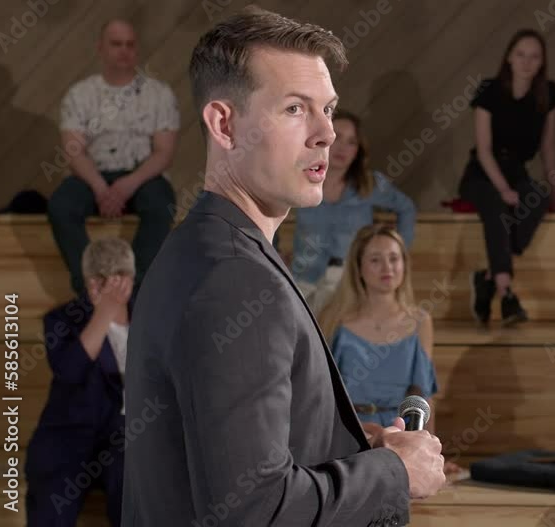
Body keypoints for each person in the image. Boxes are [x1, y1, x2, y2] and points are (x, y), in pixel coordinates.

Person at [122, 7, 444, 526]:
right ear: (225, 124)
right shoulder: (234, 276)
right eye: (296, 109)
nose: (327, 134)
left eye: (328, 109)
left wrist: (356, 443)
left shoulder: (202, 248)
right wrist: (394, 473)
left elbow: (224, 454)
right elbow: (253, 510)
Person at [48, 19, 178, 296]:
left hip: (143, 175)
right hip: (92, 173)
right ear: (101, 48)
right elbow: (74, 151)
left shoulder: (159, 94)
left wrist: (127, 185)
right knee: (61, 206)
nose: (124, 51)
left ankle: (136, 289)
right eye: (116, 44)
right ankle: (90, 287)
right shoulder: (80, 94)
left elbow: (164, 152)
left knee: (161, 205)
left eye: (130, 45)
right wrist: (100, 187)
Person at [318, 225, 461, 474]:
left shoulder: (419, 321)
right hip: (349, 435)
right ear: (358, 267)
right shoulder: (334, 319)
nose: (387, 268)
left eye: (394, 258)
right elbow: (321, 394)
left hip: (400, 437)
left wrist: (430, 454)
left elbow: (423, 395)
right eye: (375, 260)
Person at [461, 28, 555, 328]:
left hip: (517, 171)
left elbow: (547, 148)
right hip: (483, 173)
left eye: (534, 56)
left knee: (539, 199)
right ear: (509, 56)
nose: (526, 62)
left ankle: (488, 277)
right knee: (496, 206)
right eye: (521, 54)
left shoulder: (548, 94)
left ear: (542, 61)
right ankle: (507, 293)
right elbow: (483, 151)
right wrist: (504, 189)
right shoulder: (489, 91)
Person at [25, 238, 135, 526]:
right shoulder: (61, 320)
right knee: (51, 508)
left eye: (116, 279)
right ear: (87, 281)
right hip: (68, 440)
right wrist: (104, 313)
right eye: (97, 280)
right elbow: (70, 371)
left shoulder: (149, 318)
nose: (105, 288)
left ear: (129, 279)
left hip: (126, 441)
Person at [291, 109, 417, 314]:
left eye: (352, 142)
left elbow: (407, 208)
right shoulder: (300, 179)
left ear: (358, 150)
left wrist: (396, 252)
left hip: (348, 281)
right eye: (337, 138)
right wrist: (275, 251)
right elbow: (267, 207)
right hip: (303, 280)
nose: (343, 148)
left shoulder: (369, 184)